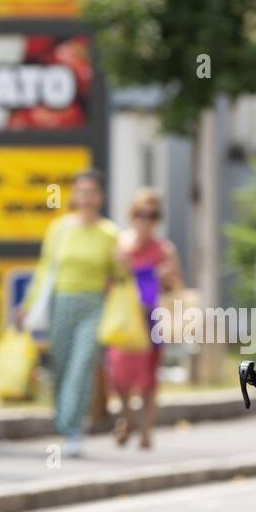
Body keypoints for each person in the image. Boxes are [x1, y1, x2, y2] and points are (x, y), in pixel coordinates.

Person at [17, 170, 128, 458]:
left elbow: (120, 276)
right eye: (81, 191)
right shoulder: (60, 229)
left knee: (82, 367)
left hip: (93, 305)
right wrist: (27, 304)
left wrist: (122, 264)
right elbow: (45, 270)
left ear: (100, 197)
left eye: (92, 192)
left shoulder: (109, 233)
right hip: (61, 303)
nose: (86, 197)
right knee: (63, 366)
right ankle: (63, 421)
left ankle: (73, 427)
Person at [105, 189, 182, 449]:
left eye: (152, 215)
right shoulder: (120, 246)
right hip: (126, 317)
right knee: (119, 375)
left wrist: (165, 276)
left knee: (148, 376)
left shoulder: (165, 250)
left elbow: (176, 286)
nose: (145, 220)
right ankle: (127, 417)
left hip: (152, 317)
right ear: (131, 215)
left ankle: (146, 429)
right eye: (140, 214)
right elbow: (108, 283)